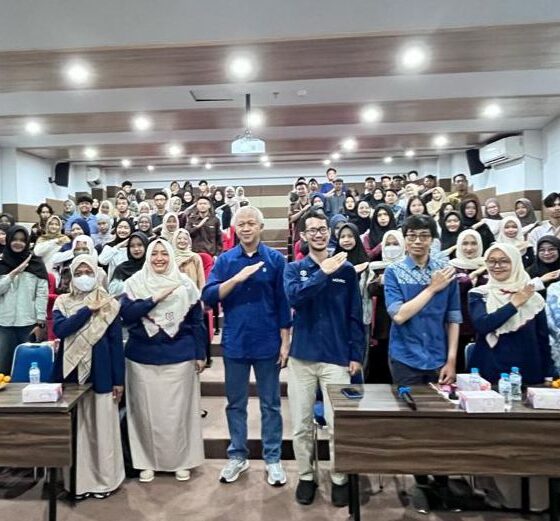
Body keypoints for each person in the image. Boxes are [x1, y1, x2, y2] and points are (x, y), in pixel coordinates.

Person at [202, 206, 291, 486]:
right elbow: (209, 295)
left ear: (261, 227)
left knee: (271, 404)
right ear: (235, 229)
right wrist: (237, 278)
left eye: (251, 223)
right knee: (235, 404)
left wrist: (285, 341)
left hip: (268, 342)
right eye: (241, 224)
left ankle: (273, 459)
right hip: (235, 342)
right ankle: (237, 456)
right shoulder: (226, 260)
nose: (246, 228)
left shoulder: (275, 260)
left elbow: (284, 302)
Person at [284, 208, 364, 508]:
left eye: (322, 229)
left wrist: (356, 354)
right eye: (312, 230)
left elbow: (355, 315)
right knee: (301, 424)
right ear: (303, 236)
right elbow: (295, 298)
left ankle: (339, 478)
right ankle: (306, 476)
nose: (318, 234)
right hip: (302, 357)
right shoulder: (294, 269)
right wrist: (323, 272)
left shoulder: (347, 270)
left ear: (329, 233)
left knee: (336, 423)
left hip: (337, 357)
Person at [384, 214, 461, 511]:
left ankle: (442, 483)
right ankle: (420, 482)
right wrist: (431, 288)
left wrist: (451, 360)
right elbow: (400, 315)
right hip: (405, 358)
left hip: (439, 357)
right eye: (412, 235)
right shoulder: (394, 272)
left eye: (424, 236)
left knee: (442, 423)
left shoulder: (446, 272)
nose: (418, 241)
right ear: (405, 239)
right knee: (413, 423)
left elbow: (453, 318)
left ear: (432, 239)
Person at [120, 239, 206, 483]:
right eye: (154, 254)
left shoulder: (185, 284)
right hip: (141, 357)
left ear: (171, 256)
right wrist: (153, 299)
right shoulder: (134, 283)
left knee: (177, 414)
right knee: (144, 415)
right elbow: (127, 315)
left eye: (164, 254)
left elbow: (197, 321)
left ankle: (180, 461)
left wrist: (200, 353)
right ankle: (146, 462)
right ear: (148, 257)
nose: (159, 258)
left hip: (179, 355)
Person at [52, 254, 125, 500]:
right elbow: (61, 329)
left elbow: (116, 344)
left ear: (97, 274)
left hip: (101, 372)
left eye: (89, 272)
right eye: (79, 272)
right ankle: (77, 484)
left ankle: (104, 482)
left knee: (101, 429)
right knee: (75, 430)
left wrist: (118, 380)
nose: (84, 277)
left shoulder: (109, 304)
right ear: (72, 276)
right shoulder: (62, 301)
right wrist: (87, 310)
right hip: (69, 374)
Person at [468, 243, 554, 385]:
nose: (497, 266)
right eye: (491, 261)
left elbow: (543, 339)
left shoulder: (533, 297)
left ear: (515, 263)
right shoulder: (479, 293)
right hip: (489, 370)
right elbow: (483, 325)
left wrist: (548, 375)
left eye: (504, 261)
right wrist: (514, 304)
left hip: (528, 372)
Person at [0, 226, 48, 373]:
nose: (18, 243)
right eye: (14, 239)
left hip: (28, 322)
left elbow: (41, 294)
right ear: (8, 240)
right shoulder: (1, 262)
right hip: (4, 323)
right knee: (3, 365)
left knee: (29, 366)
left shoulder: (36, 263)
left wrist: (40, 321)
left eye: (22, 240)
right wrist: (12, 274)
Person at [366, 230, 406, 383]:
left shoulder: (408, 268)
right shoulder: (375, 267)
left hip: (403, 322)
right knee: (381, 366)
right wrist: (379, 282)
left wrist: (388, 282)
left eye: (395, 244)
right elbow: (370, 290)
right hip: (382, 322)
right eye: (388, 244)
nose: (391, 247)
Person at [449, 230, 487, 373]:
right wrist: (473, 275)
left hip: (485, 325)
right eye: (465, 244)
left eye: (473, 243)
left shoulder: (489, 266)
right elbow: (454, 290)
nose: (469, 248)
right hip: (459, 326)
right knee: (459, 369)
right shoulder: (451, 267)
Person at [109, 232, 149, 297]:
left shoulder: (152, 267)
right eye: (132, 246)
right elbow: (113, 291)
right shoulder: (122, 268)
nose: (136, 249)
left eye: (140, 245)